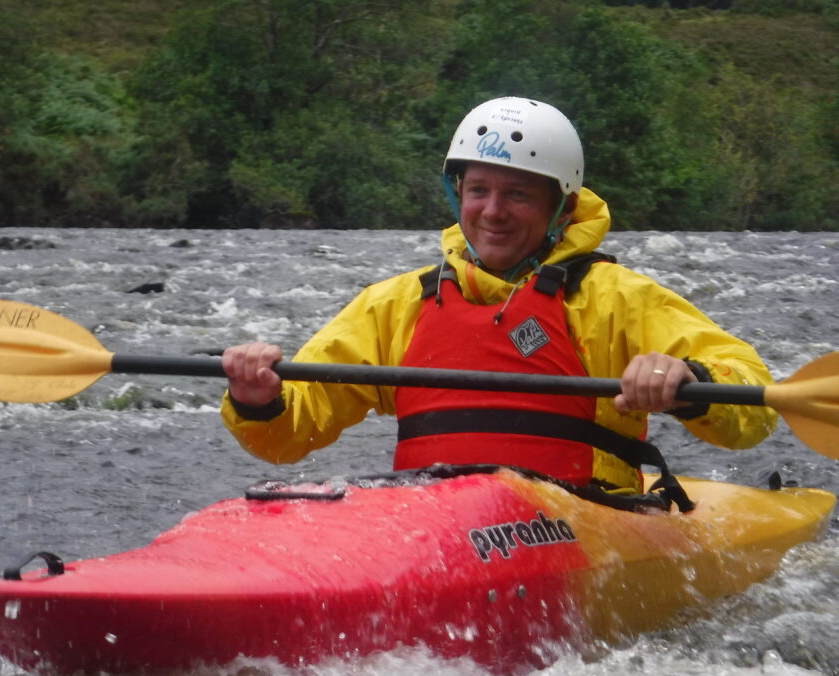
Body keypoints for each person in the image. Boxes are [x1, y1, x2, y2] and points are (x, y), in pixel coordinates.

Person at [220, 96, 776, 497]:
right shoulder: (397, 304)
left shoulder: (614, 298)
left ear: (562, 208)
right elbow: (288, 436)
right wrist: (258, 398)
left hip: (584, 517)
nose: (492, 212)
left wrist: (688, 381)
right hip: (426, 517)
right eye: (478, 190)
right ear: (456, 193)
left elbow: (750, 390)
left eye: (517, 195)